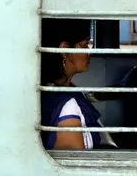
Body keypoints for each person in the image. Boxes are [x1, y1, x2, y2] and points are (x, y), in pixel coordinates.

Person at [40, 19, 105, 150]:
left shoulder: (67, 90)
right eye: (85, 44)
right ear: (64, 50)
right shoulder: (67, 107)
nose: (89, 51)